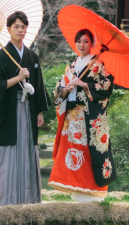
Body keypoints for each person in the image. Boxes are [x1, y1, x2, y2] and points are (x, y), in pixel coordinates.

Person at [0, 11, 51, 206]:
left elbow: (38, 85)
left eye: (23, 27)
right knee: (9, 153)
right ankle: (6, 200)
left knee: (28, 149)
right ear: (8, 29)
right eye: (16, 26)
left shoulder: (32, 56)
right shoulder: (0, 56)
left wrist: (39, 111)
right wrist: (18, 78)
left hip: (29, 110)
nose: (20, 30)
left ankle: (29, 199)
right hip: (9, 110)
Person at [48, 29, 117, 201]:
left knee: (88, 153)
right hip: (72, 119)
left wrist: (85, 85)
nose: (82, 45)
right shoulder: (71, 66)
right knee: (73, 153)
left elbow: (106, 87)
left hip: (89, 118)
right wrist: (64, 90)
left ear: (92, 44)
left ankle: (91, 191)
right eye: (79, 41)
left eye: (86, 41)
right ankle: (76, 189)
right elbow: (58, 90)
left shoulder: (98, 64)